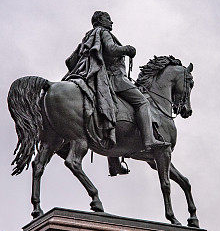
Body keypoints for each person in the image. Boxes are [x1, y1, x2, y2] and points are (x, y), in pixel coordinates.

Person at [64, 10, 167, 157]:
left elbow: (70, 61)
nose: (111, 22)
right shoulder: (104, 33)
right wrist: (127, 49)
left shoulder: (87, 37)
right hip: (114, 79)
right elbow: (111, 49)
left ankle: (115, 162)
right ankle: (149, 140)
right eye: (108, 19)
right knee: (142, 102)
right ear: (100, 21)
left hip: (97, 79)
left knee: (113, 114)